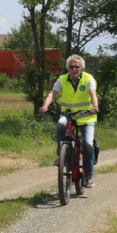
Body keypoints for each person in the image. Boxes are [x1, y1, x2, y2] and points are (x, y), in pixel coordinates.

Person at [40, 54, 100, 187]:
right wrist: (45, 106)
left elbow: (93, 94)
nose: (74, 69)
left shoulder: (88, 78)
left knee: (88, 144)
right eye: (71, 66)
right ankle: (60, 155)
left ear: (82, 68)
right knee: (61, 123)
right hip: (69, 115)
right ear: (67, 68)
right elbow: (52, 94)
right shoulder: (62, 79)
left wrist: (95, 106)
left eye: (77, 66)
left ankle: (89, 175)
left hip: (86, 116)